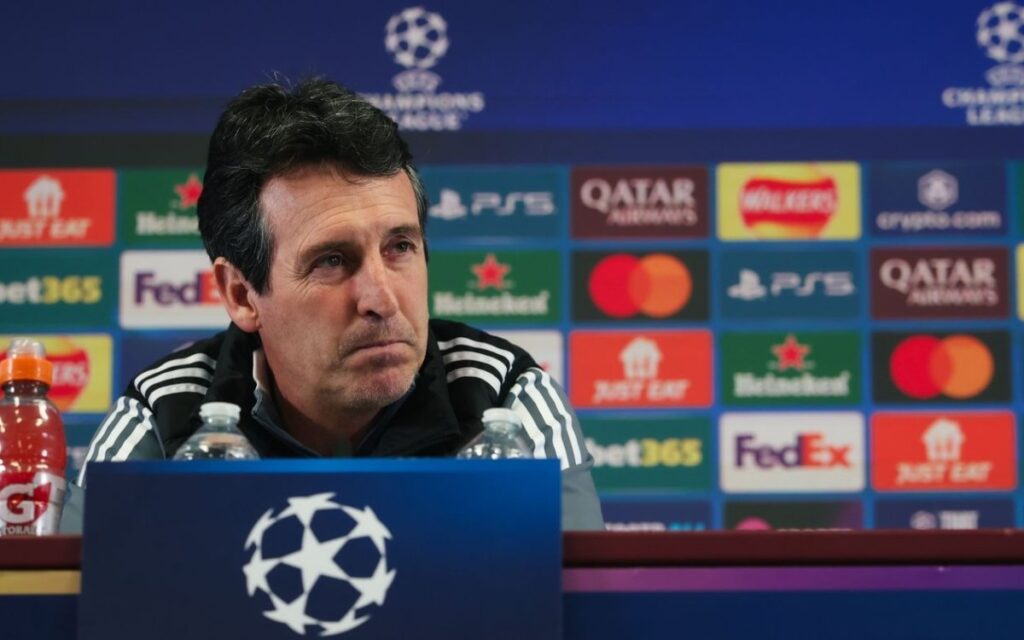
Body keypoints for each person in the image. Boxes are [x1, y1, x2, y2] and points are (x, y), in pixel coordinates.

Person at [62, 77, 603, 532]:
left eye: (400, 247)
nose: (381, 299)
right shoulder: (163, 417)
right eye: (331, 261)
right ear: (241, 295)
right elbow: (71, 609)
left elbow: (580, 609)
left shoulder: (504, 398)